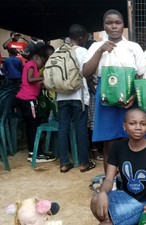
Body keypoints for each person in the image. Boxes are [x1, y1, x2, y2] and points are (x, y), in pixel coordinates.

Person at [82, 9, 146, 172]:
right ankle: (111, 182)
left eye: (117, 23)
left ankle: (130, 180)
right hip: (106, 101)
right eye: (109, 23)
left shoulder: (133, 47)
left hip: (129, 100)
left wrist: (134, 97)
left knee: (132, 140)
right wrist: (100, 50)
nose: (114, 26)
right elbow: (86, 72)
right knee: (109, 143)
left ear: (123, 25)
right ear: (104, 26)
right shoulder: (96, 46)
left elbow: (141, 75)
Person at [90, 108, 146, 225]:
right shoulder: (118, 147)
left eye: (143, 124)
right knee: (96, 201)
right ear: (124, 126)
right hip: (125, 196)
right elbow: (109, 178)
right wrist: (103, 192)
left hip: (145, 203)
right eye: (132, 123)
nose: (138, 127)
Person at [56, 24, 95, 173]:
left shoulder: (59, 50)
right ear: (82, 37)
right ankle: (84, 163)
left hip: (61, 95)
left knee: (63, 127)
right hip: (78, 95)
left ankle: (64, 163)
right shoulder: (83, 51)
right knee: (80, 127)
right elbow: (88, 73)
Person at [15, 43, 55, 163]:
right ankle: (35, 153)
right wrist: (44, 79)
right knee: (33, 125)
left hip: (25, 99)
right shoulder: (31, 64)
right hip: (28, 99)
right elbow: (30, 79)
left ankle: (33, 151)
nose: (42, 65)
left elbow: (32, 83)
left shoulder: (30, 65)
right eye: (42, 62)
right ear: (37, 57)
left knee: (30, 125)